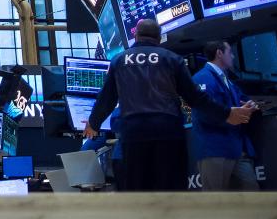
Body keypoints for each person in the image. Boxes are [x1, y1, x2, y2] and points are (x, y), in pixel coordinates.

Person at [84, 19, 255, 191]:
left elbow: (107, 98)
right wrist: (226, 114)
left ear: (135, 35)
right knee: (171, 189)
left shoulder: (118, 61)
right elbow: (195, 98)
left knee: (137, 190)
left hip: (133, 133)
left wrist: (94, 123)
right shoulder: (172, 59)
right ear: (159, 38)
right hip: (168, 132)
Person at [192, 41, 259, 191]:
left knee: (253, 194)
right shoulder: (202, 78)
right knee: (217, 204)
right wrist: (231, 115)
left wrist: (251, 105)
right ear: (219, 53)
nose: (233, 56)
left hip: (236, 149)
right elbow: (204, 112)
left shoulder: (227, 80)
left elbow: (244, 98)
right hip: (215, 150)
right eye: (230, 52)